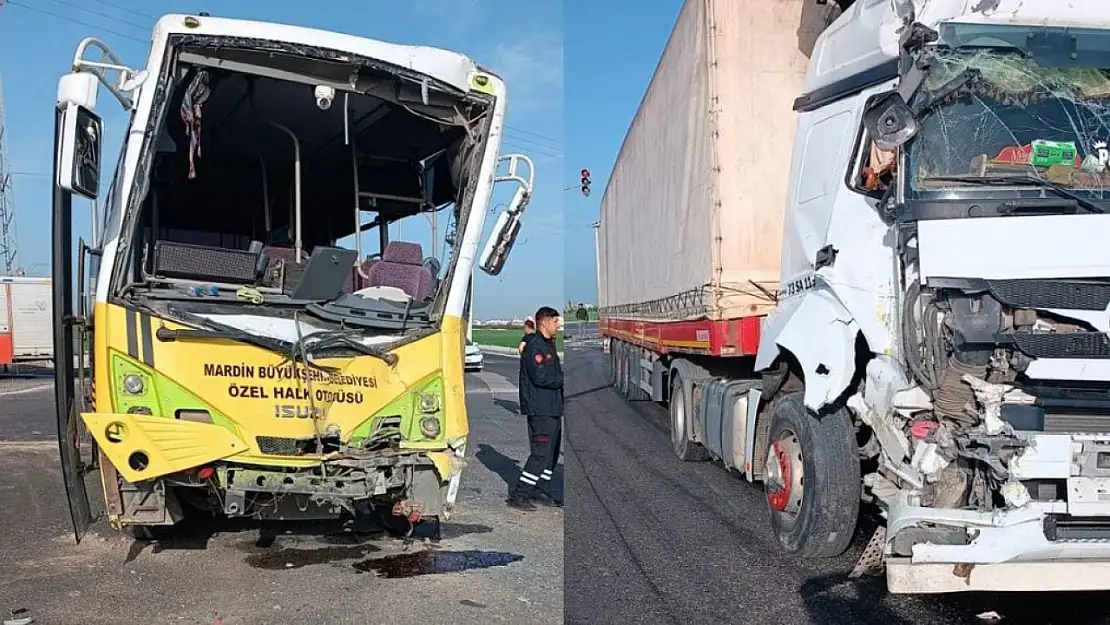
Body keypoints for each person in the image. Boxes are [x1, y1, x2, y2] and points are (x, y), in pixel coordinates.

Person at [508, 306, 564, 510]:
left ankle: (542, 488)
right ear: (544, 323)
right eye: (555, 321)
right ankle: (519, 495)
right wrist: (563, 379)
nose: (558, 325)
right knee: (540, 454)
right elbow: (540, 377)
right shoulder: (535, 346)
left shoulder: (548, 344)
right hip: (541, 409)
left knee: (551, 454)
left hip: (553, 408)